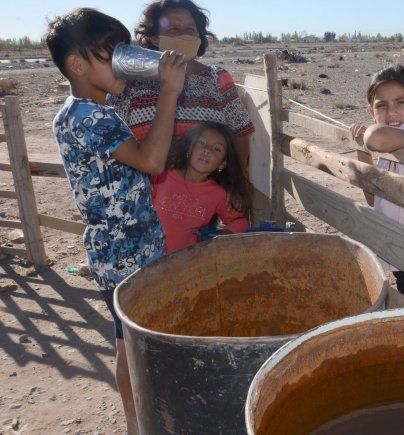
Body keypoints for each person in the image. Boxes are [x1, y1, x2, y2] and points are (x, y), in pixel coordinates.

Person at [46, 8, 186, 434]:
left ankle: (140, 420)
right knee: (134, 347)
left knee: (130, 342)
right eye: (113, 56)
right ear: (78, 65)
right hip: (127, 256)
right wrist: (169, 91)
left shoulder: (80, 112)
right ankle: (138, 423)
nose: (124, 63)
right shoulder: (91, 117)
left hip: (121, 252)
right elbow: (152, 160)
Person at [107, 0, 254, 165]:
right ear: (155, 39)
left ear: (198, 36)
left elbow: (240, 133)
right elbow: (112, 138)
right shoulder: (132, 83)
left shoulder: (217, 78)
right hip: (145, 180)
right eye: (173, 30)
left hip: (208, 182)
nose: (184, 35)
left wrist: (235, 178)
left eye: (190, 29)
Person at [349, 64, 404, 298]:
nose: (391, 112)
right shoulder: (390, 145)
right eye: (381, 105)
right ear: (371, 110)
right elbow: (373, 198)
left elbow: (375, 137)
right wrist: (363, 150)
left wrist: (367, 136)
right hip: (394, 241)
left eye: (401, 102)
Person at [152, 122, 252, 253]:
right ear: (189, 149)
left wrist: (223, 237)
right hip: (144, 258)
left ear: (222, 164)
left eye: (217, 149)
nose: (207, 150)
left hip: (183, 261)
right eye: (201, 142)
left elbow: (240, 222)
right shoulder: (161, 175)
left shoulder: (218, 194)